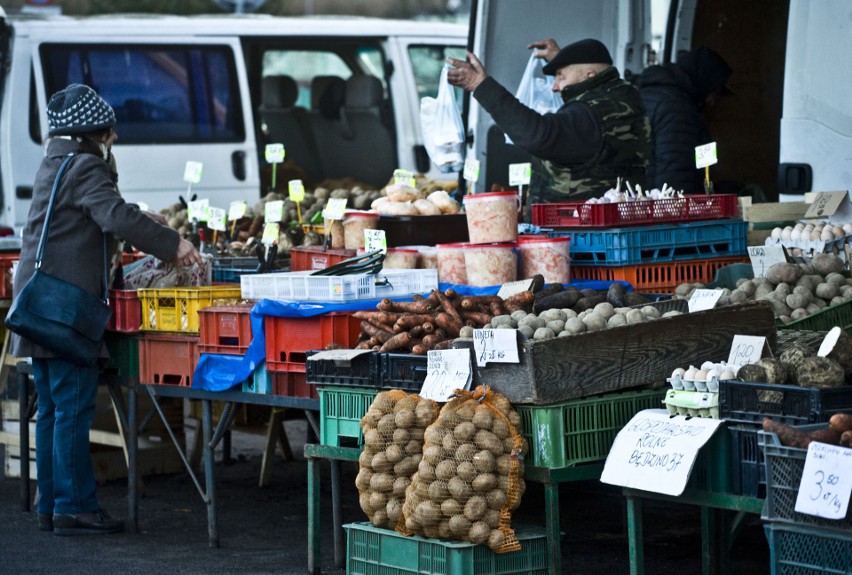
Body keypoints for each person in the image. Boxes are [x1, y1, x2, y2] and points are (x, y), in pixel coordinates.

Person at [9, 84, 202, 536]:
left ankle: (52, 505)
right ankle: (76, 508)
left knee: (53, 409)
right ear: (95, 132)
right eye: (110, 131)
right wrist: (173, 243)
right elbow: (111, 217)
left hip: (38, 300)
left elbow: (98, 209)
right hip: (64, 306)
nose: (113, 137)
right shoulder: (87, 165)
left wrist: (139, 214)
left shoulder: (55, 162)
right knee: (72, 408)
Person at [446, 38, 651, 204]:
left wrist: (480, 85)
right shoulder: (624, 94)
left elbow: (538, 135)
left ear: (589, 76)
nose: (554, 87)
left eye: (560, 76)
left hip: (581, 236)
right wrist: (563, 62)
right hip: (612, 224)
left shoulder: (589, 113)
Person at [635, 46, 733, 193]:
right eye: (715, 92)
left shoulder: (647, 94)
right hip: (665, 205)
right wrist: (679, 210)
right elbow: (675, 171)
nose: (713, 101)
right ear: (703, 81)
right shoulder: (677, 107)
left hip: (642, 199)